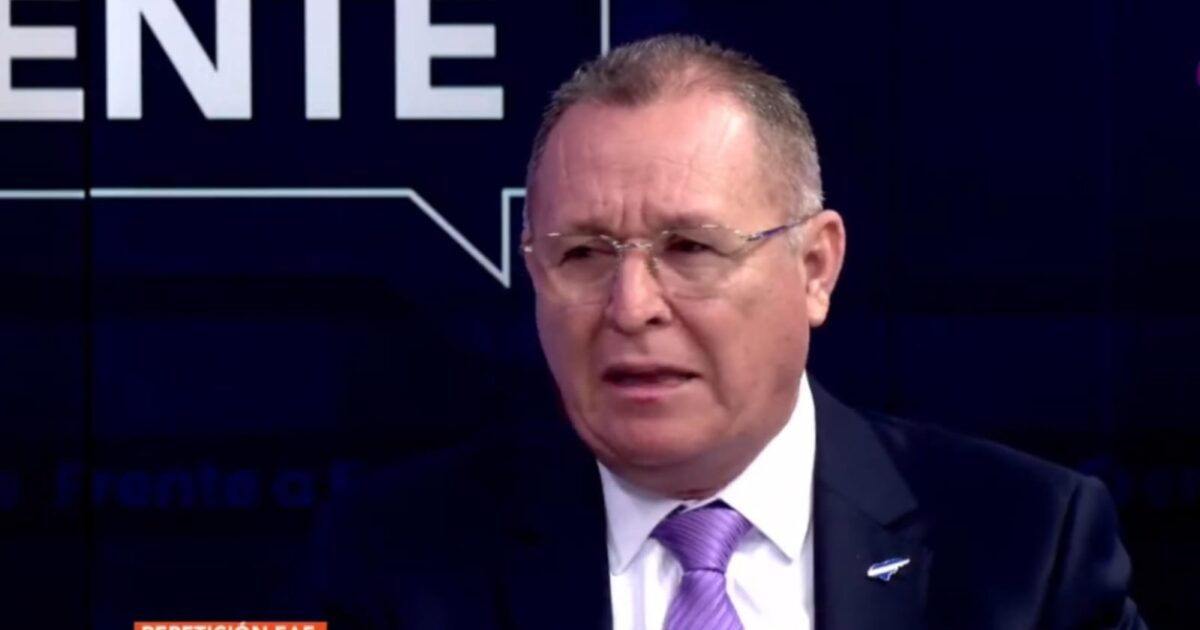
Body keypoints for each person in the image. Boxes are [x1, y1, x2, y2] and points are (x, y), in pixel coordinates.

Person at [308, 34, 1147, 629]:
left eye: (690, 248)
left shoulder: (1026, 546)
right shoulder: (400, 560)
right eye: (585, 254)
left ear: (815, 268)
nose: (631, 306)